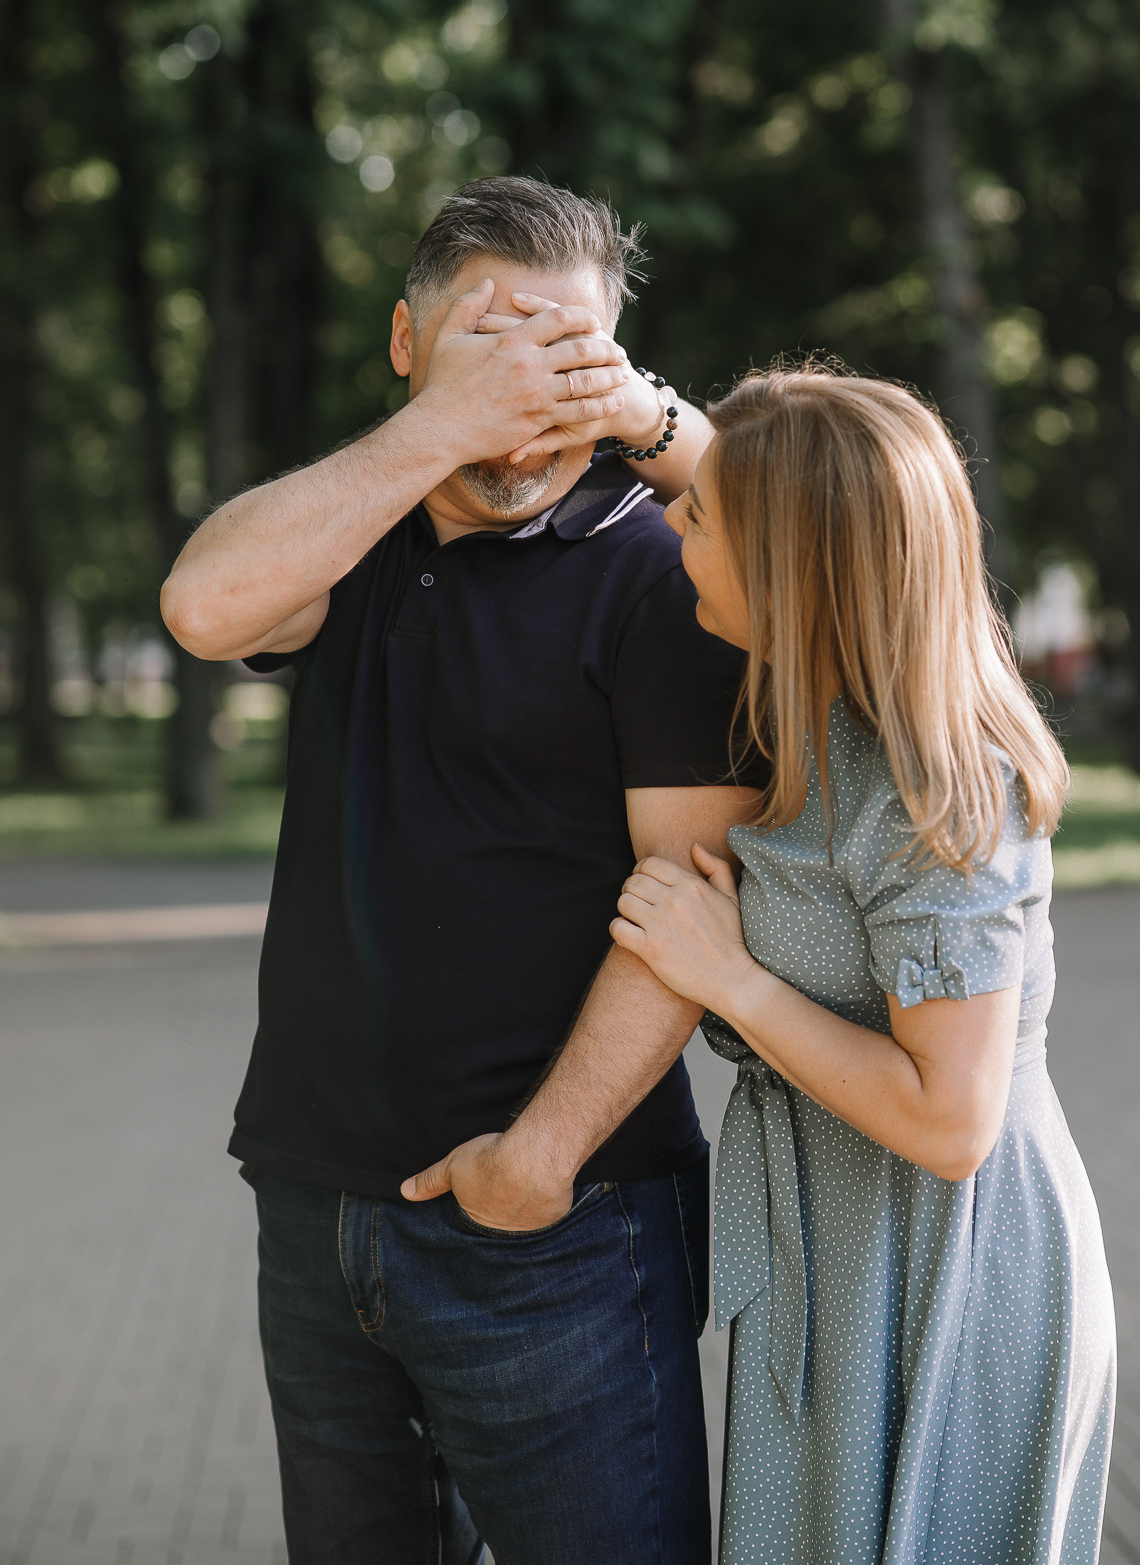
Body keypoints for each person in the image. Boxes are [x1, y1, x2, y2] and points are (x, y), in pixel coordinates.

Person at [161, 177, 762, 1565]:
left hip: (562, 1229)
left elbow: (695, 902)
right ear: (404, 345)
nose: (524, 401)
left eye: (563, 359)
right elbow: (203, 606)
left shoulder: (669, 568)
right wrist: (443, 427)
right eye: (490, 350)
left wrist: (535, 1165)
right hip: (314, 1210)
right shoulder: (352, 531)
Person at [610, 368, 1117, 1565]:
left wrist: (728, 978)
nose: (670, 521)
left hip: (944, 1267)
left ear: (793, 568)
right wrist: (637, 407)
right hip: (831, 1252)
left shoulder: (935, 782)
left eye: (700, 518)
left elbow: (952, 1119)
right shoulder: (823, 713)